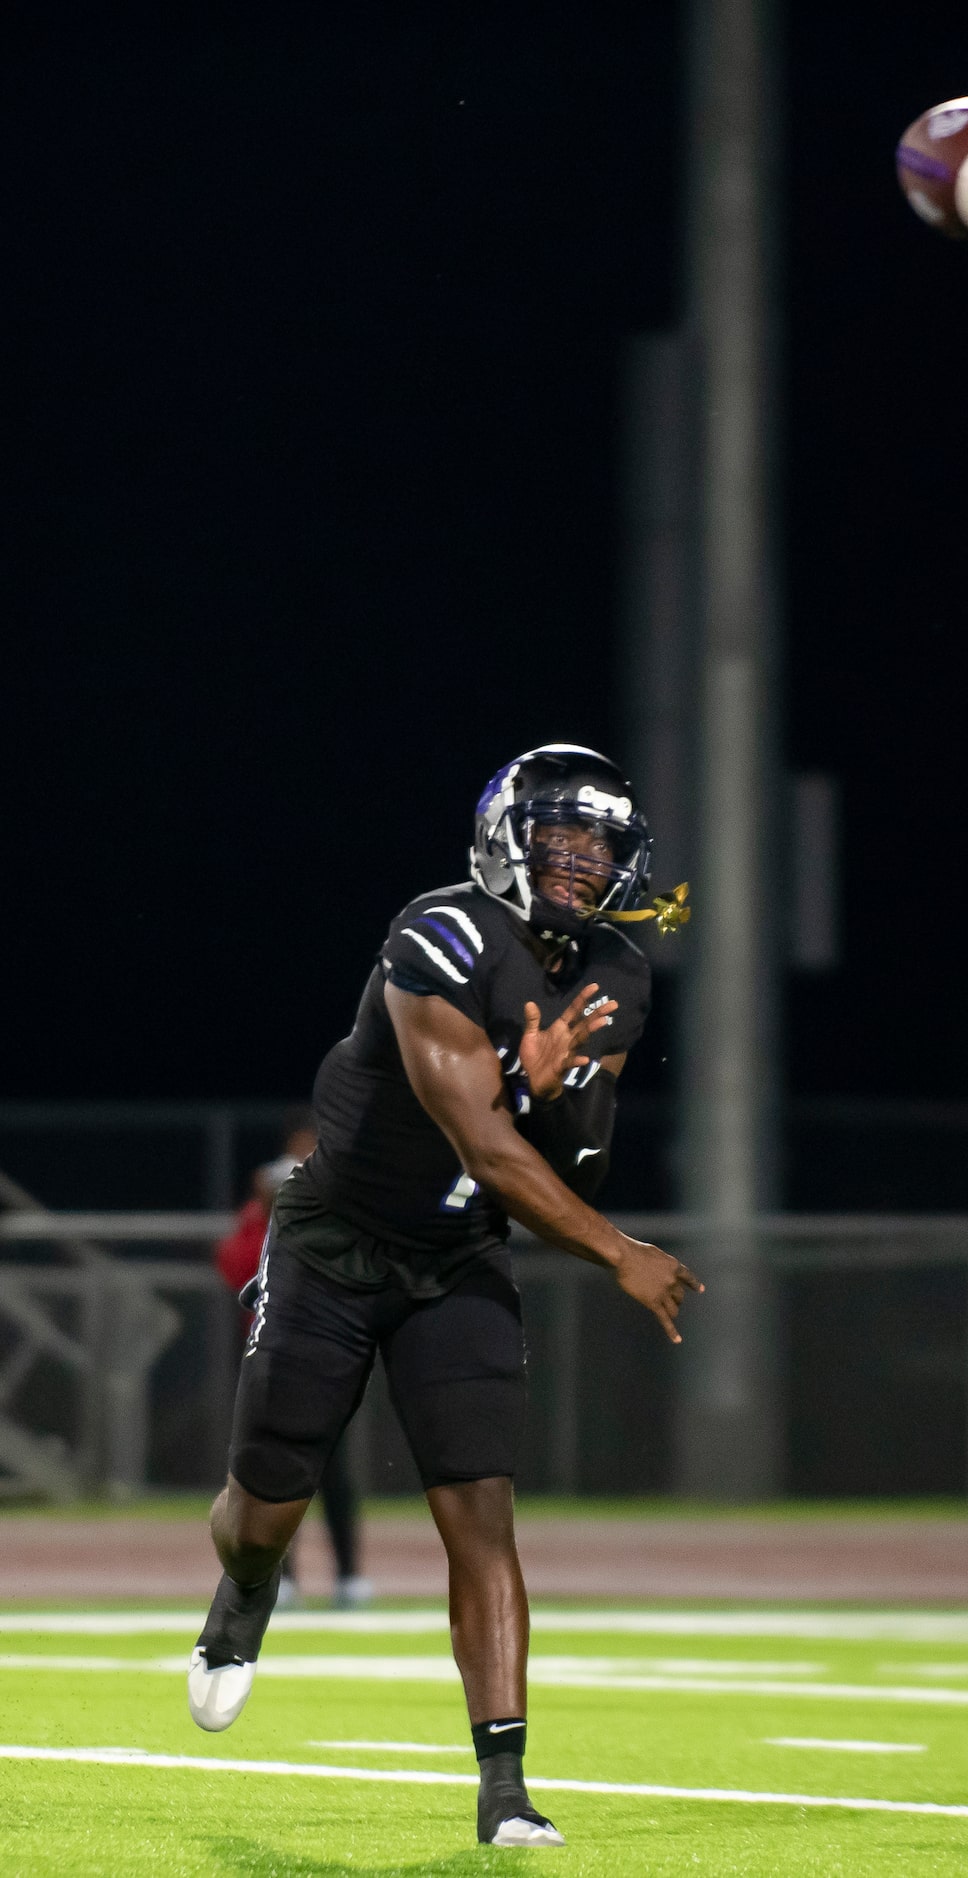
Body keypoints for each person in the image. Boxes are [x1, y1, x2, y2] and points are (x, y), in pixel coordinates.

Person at [187, 743, 702, 1849]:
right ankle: (243, 1595)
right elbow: (476, 1135)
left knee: (481, 1512)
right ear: (508, 838)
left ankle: (504, 1787)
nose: (584, 861)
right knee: (268, 1501)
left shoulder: (618, 967)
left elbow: (571, 1167)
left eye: (601, 844)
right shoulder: (441, 933)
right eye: (563, 837)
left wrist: (565, 1090)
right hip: (335, 1241)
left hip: (457, 1254)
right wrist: (619, 1252)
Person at [213, 1114, 371, 1611]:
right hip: (270, 1358)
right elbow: (236, 1268)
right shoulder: (259, 1214)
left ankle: (347, 1576)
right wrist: (266, 1210)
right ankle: (278, 1579)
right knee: (269, 1471)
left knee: (335, 1474)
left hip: (330, 1357)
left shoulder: (344, 1209)